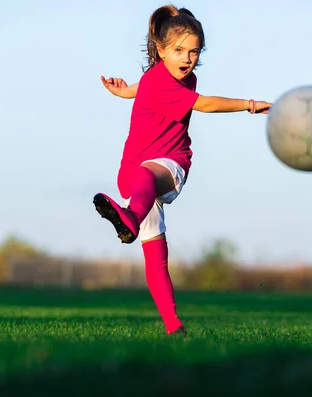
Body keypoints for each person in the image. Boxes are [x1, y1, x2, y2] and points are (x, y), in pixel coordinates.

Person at [94, 4, 272, 336]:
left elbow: (185, 97)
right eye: (179, 50)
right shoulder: (158, 80)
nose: (187, 58)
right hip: (135, 175)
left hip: (170, 164)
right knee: (156, 256)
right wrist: (250, 104)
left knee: (147, 175)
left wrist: (127, 91)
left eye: (194, 52)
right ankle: (174, 327)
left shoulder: (177, 79)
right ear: (160, 50)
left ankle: (128, 219)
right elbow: (198, 102)